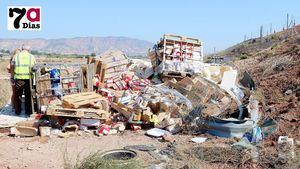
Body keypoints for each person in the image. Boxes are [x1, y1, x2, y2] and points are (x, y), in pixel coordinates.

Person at [13, 45, 36, 115]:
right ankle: (28, 111)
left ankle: (18, 111)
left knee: (18, 95)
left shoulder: (16, 56)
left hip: (18, 78)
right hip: (29, 79)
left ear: (22, 49)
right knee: (28, 95)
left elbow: (12, 66)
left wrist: (12, 77)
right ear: (28, 50)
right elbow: (34, 67)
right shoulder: (31, 56)